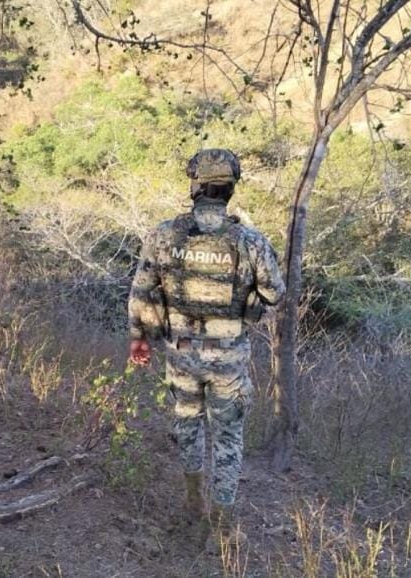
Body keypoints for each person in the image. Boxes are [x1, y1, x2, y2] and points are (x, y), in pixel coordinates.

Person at [127, 148, 285, 537]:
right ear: (231, 188)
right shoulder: (249, 240)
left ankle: (193, 502)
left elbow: (141, 293)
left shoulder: (164, 235)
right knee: (227, 436)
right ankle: (222, 528)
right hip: (228, 355)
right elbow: (275, 293)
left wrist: (138, 339)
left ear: (194, 186)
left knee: (187, 423)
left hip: (181, 351)